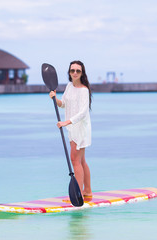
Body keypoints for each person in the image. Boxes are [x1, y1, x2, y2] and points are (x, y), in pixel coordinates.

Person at [49, 60, 93, 197]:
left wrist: (65, 122)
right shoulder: (69, 86)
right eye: (72, 70)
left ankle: (78, 194)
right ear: (69, 72)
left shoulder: (84, 90)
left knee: (75, 160)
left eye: (78, 71)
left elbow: (83, 113)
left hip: (80, 128)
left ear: (82, 73)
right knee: (81, 160)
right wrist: (55, 99)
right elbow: (64, 104)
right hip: (71, 128)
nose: (75, 73)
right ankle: (87, 191)